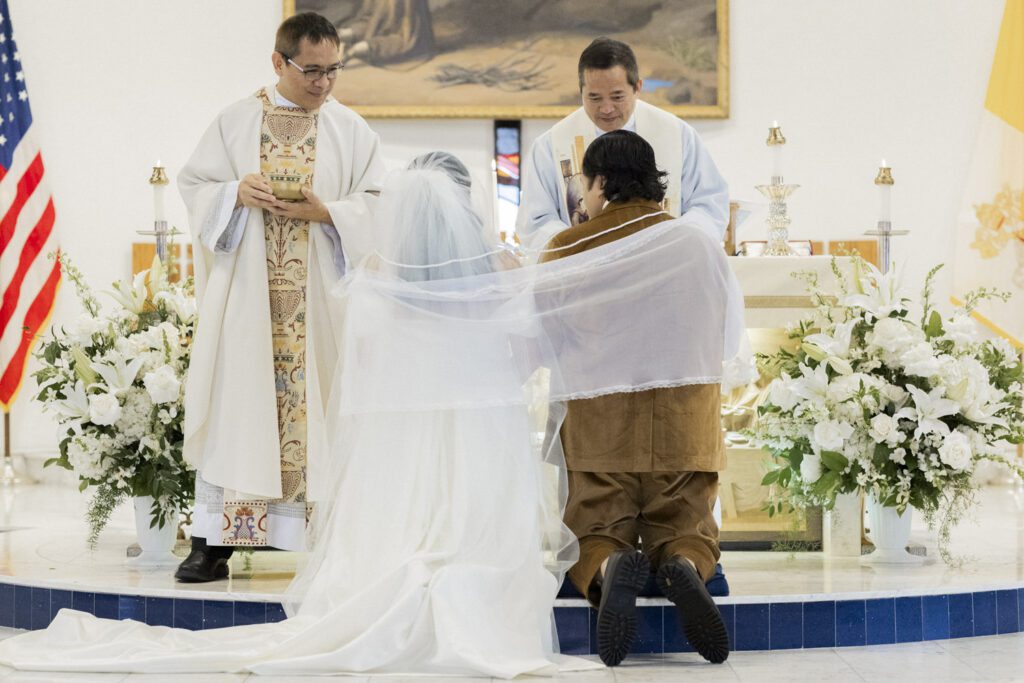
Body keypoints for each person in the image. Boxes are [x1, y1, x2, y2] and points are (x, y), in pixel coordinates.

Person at [0, 150, 744, 676]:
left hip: (396, 462)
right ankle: (674, 560)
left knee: (584, 526)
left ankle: (609, 563)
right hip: (480, 460)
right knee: (569, 530)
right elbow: (531, 356)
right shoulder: (501, 277)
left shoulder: (374, 286)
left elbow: (350, 388)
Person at [172, 11, 386, 583]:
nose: (323, 83)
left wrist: (331, 213)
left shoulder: (352, 130)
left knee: (322, 408)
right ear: (278, 62)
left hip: (319, 305)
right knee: (241, 411)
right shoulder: (236, 121)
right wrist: (233, 192)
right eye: (310, 70)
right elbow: (194, 186)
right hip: (249, 300)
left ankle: (331, 538)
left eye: (333, 71)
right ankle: (215, 542)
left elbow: (379, 202)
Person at [539, 130, 732, 667]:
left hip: (602, 426)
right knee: (687, 525)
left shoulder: (569, 246)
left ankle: (608, 569)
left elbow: (542, 336)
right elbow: (724, 332)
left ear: (600, 181)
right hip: (685, 422)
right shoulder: (696, 242)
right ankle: (686, 568)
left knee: (597, 527)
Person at [518, 37, 729, 252]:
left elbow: (708, 204)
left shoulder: (679, 135)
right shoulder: (550, 145)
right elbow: (536, 221)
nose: (606, 108)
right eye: (594, 98)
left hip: (661, 264)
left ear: (638, 87)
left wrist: (673, 243)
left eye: (617, 96)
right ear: (580, 91)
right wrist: (578, 248)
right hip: (586, 274)